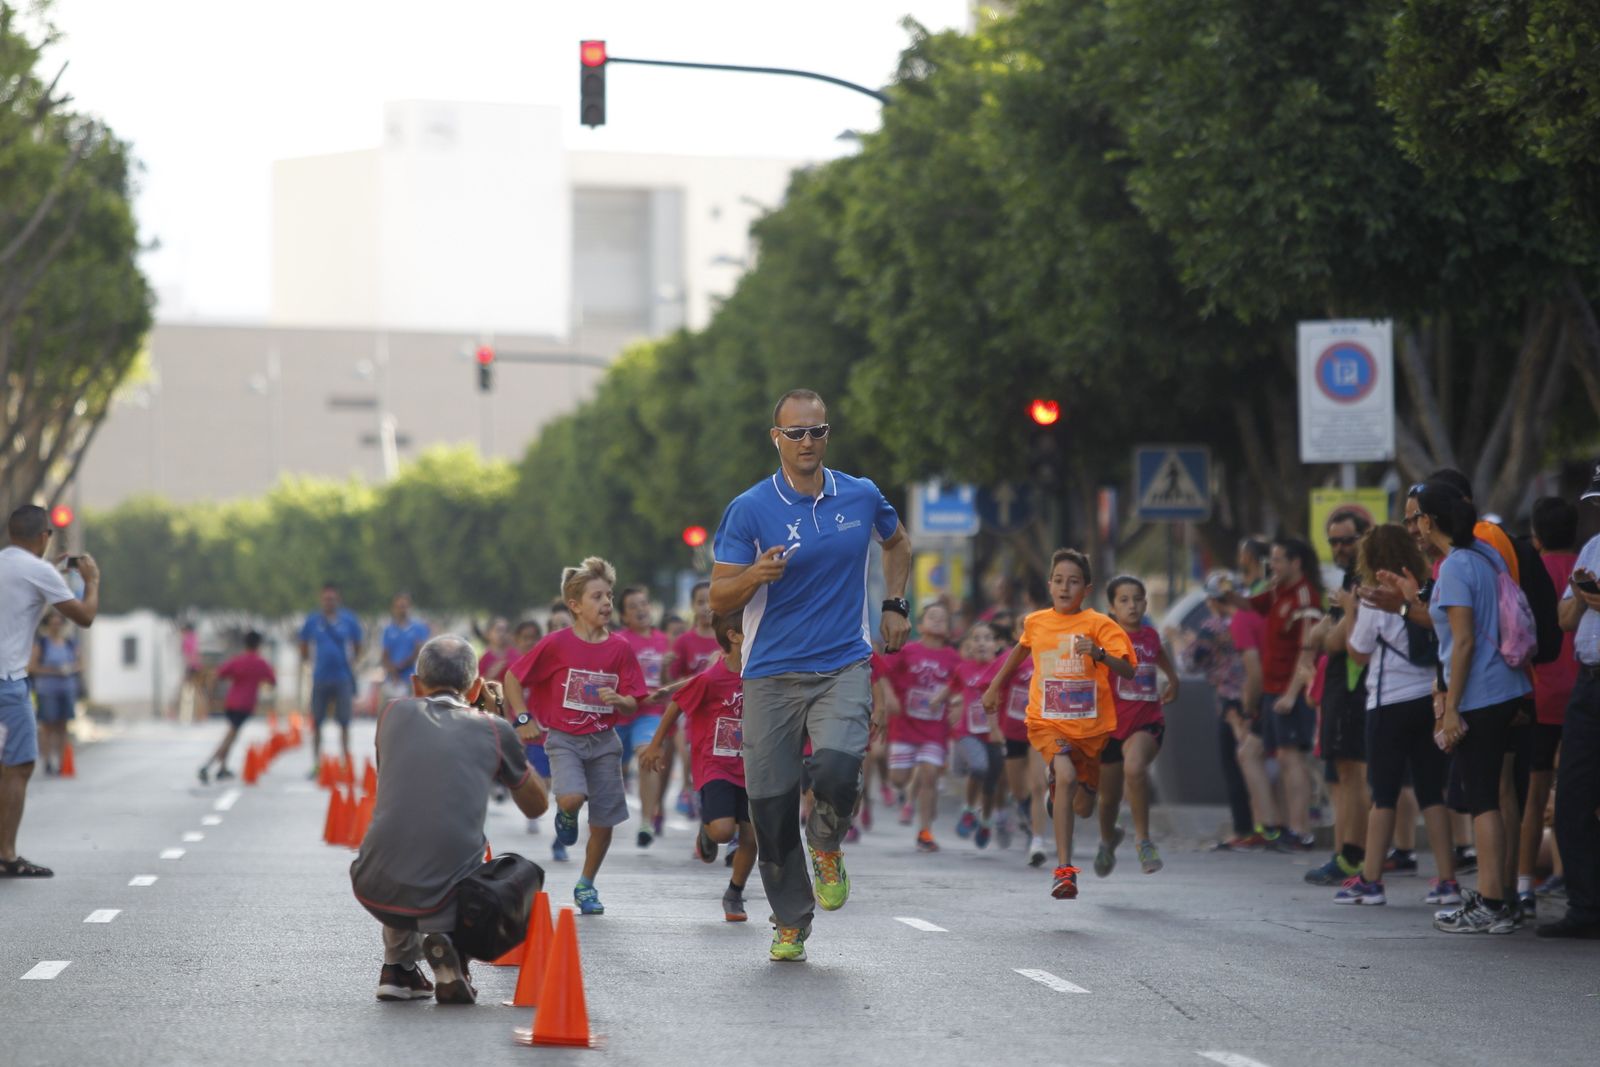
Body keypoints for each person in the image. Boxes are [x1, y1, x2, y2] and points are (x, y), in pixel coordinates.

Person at [709, 387, 911, 963]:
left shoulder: (862, 494)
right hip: (770, 671)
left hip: (843, 661)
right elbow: (718, 597)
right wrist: (754, 576)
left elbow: (898, 544)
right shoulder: (749, 508)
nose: (807, 442)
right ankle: (791, 920)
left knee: (838, 767)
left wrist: (895, 605)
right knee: (769, 811)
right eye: (795, 433)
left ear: (827, 433)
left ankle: (825, 841)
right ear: (776, 438)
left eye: (816, 431)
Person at [350, 634, 548, 1003]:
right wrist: (502, 723)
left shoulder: (391, 713)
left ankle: (398, 968)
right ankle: (455, 953)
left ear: (415, 683)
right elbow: (537, 806)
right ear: (475, 687)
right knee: (517, 869)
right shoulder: (492, 728)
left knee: (407, 829)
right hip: (446, 897)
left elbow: (395, 778)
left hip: (373, 883)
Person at [983, 549, 1137, 901]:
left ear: (1086, 588)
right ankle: (1064, 872)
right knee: (1064, 777)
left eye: (1074, 582)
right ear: (1050, 585)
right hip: (1046, 721)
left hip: (1091, 730)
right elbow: (1019, 652)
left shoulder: (1100, 624)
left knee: (1082, 807)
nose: (1065, 587)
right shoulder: (1036, 622)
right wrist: (994, 687)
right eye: (1059, 580)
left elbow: (1128, 669)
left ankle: (1067, 799)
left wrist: (1098, 654)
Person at [1413, 482, 1531, 933]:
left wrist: (1451, 707)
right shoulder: (1486, 553)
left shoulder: (1456, 566)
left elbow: (1461, 642)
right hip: (1507, 686)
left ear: (1431, 520)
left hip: (1480, 692)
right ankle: (1502, 899)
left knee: (1483, 800)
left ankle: (1491, 902)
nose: (1416, 525)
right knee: (1497, 796)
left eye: (1418, 516)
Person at [505, 557, 646, 916]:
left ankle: (586, 883)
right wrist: (523, 718)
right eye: (597, 596)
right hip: (564, 738)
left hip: (604, 742)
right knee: (570, 798)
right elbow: (512, 679)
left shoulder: (621, 648)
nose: (606, 603)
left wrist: (622, 700)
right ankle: (565, 817)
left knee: (604, 821)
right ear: (575, 605)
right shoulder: (555, 644)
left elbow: (634, 700)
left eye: (609, 596)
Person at [1334, 524, 1458, 908]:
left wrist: (1352, 609)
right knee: (1430, 792)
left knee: (1384, 793)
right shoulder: (1425, 588)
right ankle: (1448, 880)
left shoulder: (1375, 597)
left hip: (1388, 703)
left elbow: (1358, 652)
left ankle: (1371, 879)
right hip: (1429, 699)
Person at [0, 504, 99, 878]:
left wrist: (49, 573)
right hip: (7, 683)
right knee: (20, 764)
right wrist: (92, 581)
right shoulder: (39, 571)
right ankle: (6, 854)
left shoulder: (9, 564)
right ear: (44, 536)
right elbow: (84, 617)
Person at [640, 609, 758, 921]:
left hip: (752, 767)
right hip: (714, 764)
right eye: (753, 630)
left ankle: (735, 892)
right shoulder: (712, 677)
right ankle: (708, 833)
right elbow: (677, 705)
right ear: (734, 638)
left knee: (751, 836)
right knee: (722, 831)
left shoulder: (762, 675)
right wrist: (655, 745)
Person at [1231, 537, 1324, 850]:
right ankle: (1271, 826)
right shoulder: (1276, 591)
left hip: (1288, 693)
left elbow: (1308, 648)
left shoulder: (1304, 595)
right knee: (1249, 752)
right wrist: (1226, 593)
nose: (1273, 566)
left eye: (1279, 560)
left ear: (1296, 563)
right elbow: (1249, 605)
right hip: (1270, 693)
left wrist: (1292, 693)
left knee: (1289, 758)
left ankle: (1299, 831)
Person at [1543, 466, 1600, 939]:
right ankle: (1585, 906)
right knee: (1573, 796)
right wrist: (1583, 597)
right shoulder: (1592, 548)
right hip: (1588, 681)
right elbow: (1563, 619)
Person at [1306, 509, 1374, 885]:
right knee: (1342, 773)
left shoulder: (1363, 581)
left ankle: (1352, 854)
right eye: (1333, 541)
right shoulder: (1349, 579)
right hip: (1339, 687)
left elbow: (1332, 640)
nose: (1340, 547)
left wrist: (1327, 630)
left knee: (1353, 773)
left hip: (1354, 686)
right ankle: (1347, 853)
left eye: (1347, 539)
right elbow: (1318, 633)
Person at [1096, 575, 1179, 877]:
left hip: (1147, 723)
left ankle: (1143, 840)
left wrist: (1173, 679)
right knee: (1108, 801)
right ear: (1112, 607)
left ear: (1145, 603)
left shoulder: (1151, 637)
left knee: (1135, 768)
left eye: (1138, 599)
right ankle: (1107, 840)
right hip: (1110, 730)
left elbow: (1161, 657)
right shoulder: (1105, 639)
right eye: (1124, 600)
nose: (1132, 606)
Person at [1520, 496, 1578, 920]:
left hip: (1540, 694)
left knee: (1534, 795)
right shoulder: (1586, 565)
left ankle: (1523, 882)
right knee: (1578, 792)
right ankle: (1566, 872)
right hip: (1583, 691)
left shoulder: (1532, 571)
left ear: (1536, 536)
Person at [1182, 571, 1255, 849]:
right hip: (1258, 697)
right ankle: (1267, 824)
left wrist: (1181, 642)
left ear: (1213, 601)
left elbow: (1190, 662)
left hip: (1230, 702)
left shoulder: (1212, 627)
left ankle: (1244, 828)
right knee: (1258, 764)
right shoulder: (1251, 619)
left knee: (1235, 766)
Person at [885, 603, 962, 852]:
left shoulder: (953, 658)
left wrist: (958, 706)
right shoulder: (907, 651)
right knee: (898, 779)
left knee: (930, 773)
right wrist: (889, 698)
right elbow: (883, 673)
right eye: (932, 616)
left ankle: (925, 830)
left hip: (934, 729)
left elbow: (962, 686)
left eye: (943, 618)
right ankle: (908, 796)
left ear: (950, 629)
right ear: (920, 625)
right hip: (904, 726)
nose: (938, 620)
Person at [617, 586, 674, 847]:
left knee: (647, 757)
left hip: (650, 714)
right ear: (624, 617)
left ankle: (646, 823)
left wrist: (664, 682)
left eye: (644, 604)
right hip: (619, 713)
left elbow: (671, 681)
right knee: (611, 768)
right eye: (633, 606)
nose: (641, 609)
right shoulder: (617, 641)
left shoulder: (664, 642)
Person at [299, 582, 363, 775]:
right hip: (320, 678)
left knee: (344, 722)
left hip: (342, 677)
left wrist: (352, 662)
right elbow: (303, 643)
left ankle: (345, 763)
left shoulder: (348, 620)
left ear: (338, 599)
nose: (329, 602)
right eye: (326, 599)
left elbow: (358, 644)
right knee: (316, 722)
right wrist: (309, 662)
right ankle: (317, 763)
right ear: (321, 599)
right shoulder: (313, 620)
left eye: (333, 599)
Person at [671, 582, 722, 824]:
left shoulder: (729, 636)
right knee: (690, 755)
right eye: (700, 602)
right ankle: (690, 789)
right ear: (692, 606)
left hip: (723, 712)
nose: (706, 607)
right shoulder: (684, 642)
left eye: (711, 601)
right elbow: (672, 678)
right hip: (691, 710)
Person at [949, 620, 1003, 848]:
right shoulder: (963, 669)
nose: (982, 643)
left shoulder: (1003, 668)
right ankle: (969, 809)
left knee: (991, 783)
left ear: (997, 645)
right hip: (968, 732)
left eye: (987, 638)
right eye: (977, 638)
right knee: (979, 767)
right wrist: (942, 701)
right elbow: (951, 689)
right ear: (969, 645)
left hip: (996, 735)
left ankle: (986, 821)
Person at [198, 631, 277, 784]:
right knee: (230, 737)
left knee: (232, 736)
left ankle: (222, 768)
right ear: (258, 645)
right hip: (245, 705)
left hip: (231, 703)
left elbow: (219, 674)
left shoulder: (238, 661)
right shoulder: (260, 663)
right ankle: (207, 766)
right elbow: (272, 681)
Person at [28, 613, 80, 777]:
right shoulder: (42, 644)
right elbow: (32, 667)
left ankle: (62, 761)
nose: (56, 627)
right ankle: (48, 761)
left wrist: (70, 669)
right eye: (53, 624)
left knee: (63, 727)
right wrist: (54, 671)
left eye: (59, 623)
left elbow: (81, 662)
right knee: (47, 727)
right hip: (47, 689)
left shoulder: (70, 643)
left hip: (66, 689)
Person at [379, 592, 430, 703]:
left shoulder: (418, 628)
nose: (402, 610)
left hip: (411, 678)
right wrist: (392, 670)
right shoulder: (389, 629)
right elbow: (385, 653)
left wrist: (401, 666)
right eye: (399, 607)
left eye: (404, 606)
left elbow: (418, 650)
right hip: (392, 678)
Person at [476, 617, 512, 685]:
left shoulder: (517, 655)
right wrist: (490, 675)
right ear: (488, 634)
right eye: (498, 630)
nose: (502, 634)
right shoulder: (482, 659)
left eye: (506, 630)